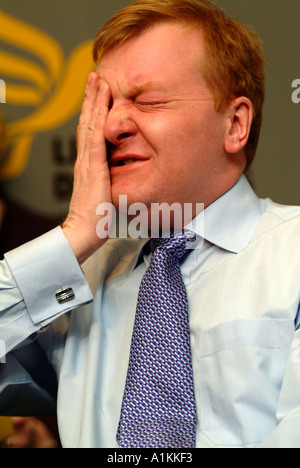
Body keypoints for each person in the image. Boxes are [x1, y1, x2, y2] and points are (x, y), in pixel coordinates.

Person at [0, 0, 300, 448]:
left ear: (235, 125)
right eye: (105, 105)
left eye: (149, 101)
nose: (112, 126)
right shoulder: (78, 281)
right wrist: (76, 236)